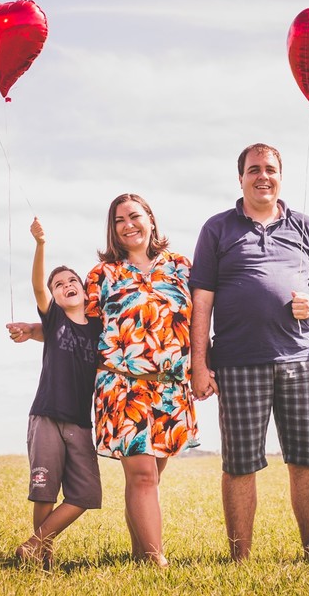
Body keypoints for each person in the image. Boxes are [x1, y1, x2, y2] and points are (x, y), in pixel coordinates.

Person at [190, 143, 309, 563]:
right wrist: (198, 363)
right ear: (240, 177)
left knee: (307, 461)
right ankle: (240, 560)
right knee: (239, 464)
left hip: (302, 360)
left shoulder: (305, 227)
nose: (263, 176)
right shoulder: (217, 229)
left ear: (280, 176)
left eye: (270, 169)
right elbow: (201, 300)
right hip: (237, 363)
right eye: (254, 169)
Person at [85, 193, 199, 567]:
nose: (128, 225)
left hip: (170, 387)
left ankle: (138, 554)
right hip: (121, 386)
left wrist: (204, 366)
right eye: (119, 220)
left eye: (134, 216)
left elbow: (201, 322)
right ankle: (156, 563)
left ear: (151, 219)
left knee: (149, 477)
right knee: (143, 475)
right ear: (113, 229)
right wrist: (35, 330)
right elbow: (78, 327)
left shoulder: (182, 267)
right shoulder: (103, 275)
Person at [6, 217, 102, 567]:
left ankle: (33, 543)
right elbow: (37, 288)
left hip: (79, 422)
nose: (66, 286)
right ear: (56, 296)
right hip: (46, 416)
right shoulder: (55, 320)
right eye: (59, 284)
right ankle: (42, 558)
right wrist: (41, 245)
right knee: (44, 491)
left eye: (72, 280)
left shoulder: (98, 329)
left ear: (86, 289)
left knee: (87, 494)